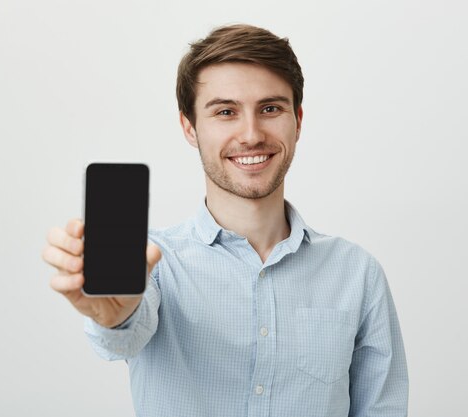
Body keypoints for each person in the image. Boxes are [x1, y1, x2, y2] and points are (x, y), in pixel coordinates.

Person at [42, 24, 408, 417]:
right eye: (225, 112)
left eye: (270, 108)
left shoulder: (357, 273)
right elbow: (122, 337)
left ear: (297, 120)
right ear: (189, 127)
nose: (251, 134)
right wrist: (114, 320)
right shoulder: (152, 264)